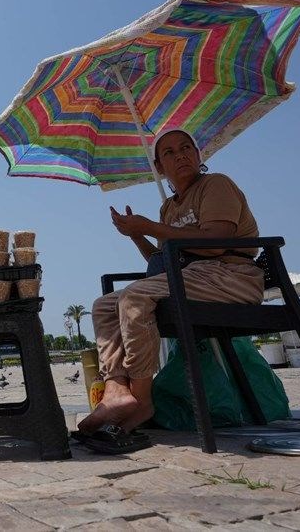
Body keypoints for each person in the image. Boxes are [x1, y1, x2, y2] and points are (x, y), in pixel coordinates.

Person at [77, 129, 264, 439]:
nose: (180, 155)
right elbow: (162, 259)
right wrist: (138, 235)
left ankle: (141, 400)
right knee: (105, 305)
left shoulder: (215, 184)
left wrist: (150, 226)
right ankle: (116, 389)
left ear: (198, 155)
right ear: (159, 167)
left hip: (230, 275)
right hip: (190, 277)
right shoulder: (169, 208)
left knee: (134, 297)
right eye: (169, 152)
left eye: (186, 148)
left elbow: (217, 242)